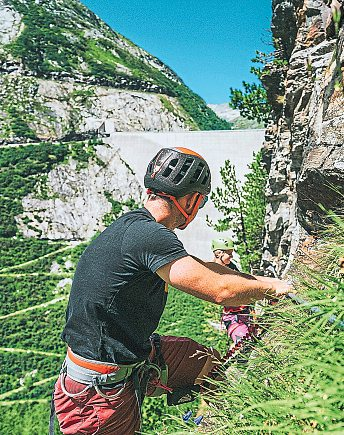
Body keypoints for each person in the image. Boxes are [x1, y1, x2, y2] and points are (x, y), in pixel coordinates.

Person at [52, 147, 290, 435]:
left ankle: (219, 425)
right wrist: (271, 291)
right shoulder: (149, 235)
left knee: (206, 363)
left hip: (128, 358)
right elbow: (221, 291)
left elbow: (202, 269)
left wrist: (266, 281)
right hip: (97, 393)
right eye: (199, 204)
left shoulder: (136, 227)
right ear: (190, 200)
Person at [211, 238, 255, 345]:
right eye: (229, 254)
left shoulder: (231, 267)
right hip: (233, 317)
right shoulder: (212, 271)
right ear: (219, 254)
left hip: (244, 312)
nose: (232, 256)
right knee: (244, 343)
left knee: (253, 341)